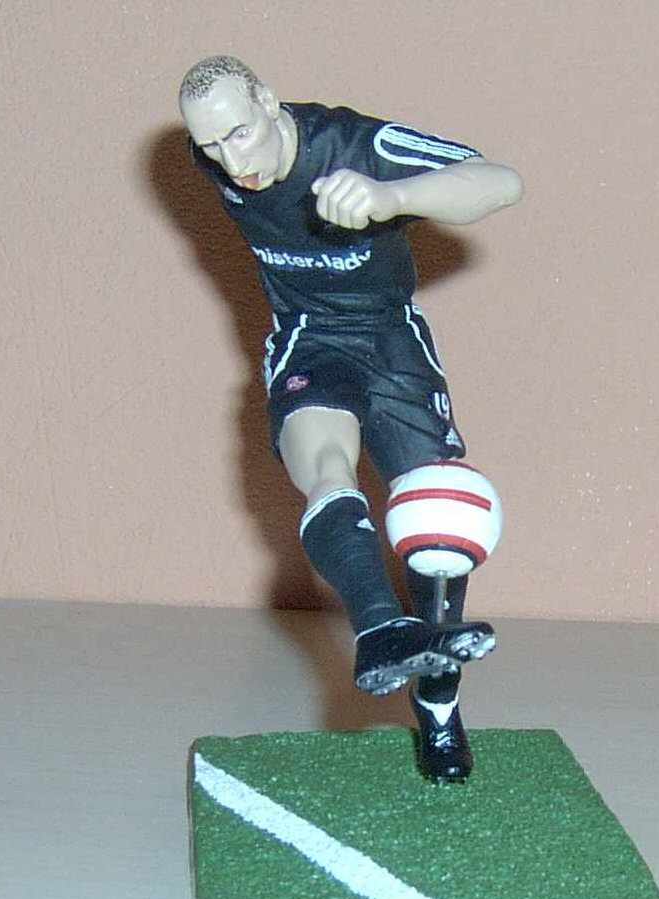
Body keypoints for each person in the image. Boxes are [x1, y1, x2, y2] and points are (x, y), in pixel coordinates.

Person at [179, 55, 523, 781]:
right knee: (326, 465)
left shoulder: (354, 143)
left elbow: (499, 182)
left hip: (392, 339)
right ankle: (378, 627)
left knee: (438, 520)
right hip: (309, 337)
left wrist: (391, 196)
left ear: (269, 101)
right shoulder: (213, 159)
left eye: (239, 135)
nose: (231, 161)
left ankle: (437, 702)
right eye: (210, 146)